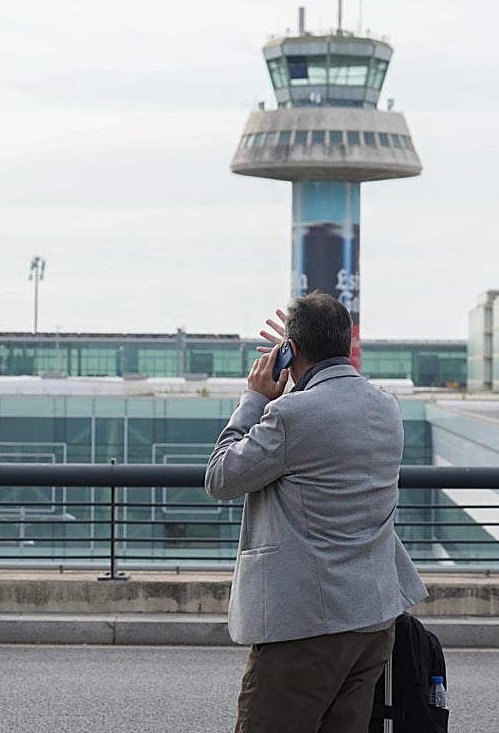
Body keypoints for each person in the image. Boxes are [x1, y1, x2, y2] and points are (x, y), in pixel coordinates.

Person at [205, 292, 427, 733]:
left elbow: (221, 477)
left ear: (291, 351)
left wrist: (254, 397)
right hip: (373, 620)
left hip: (307, 629)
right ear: (346, 344)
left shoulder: (289, 415)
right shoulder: (387, 407)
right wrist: (300, 350)